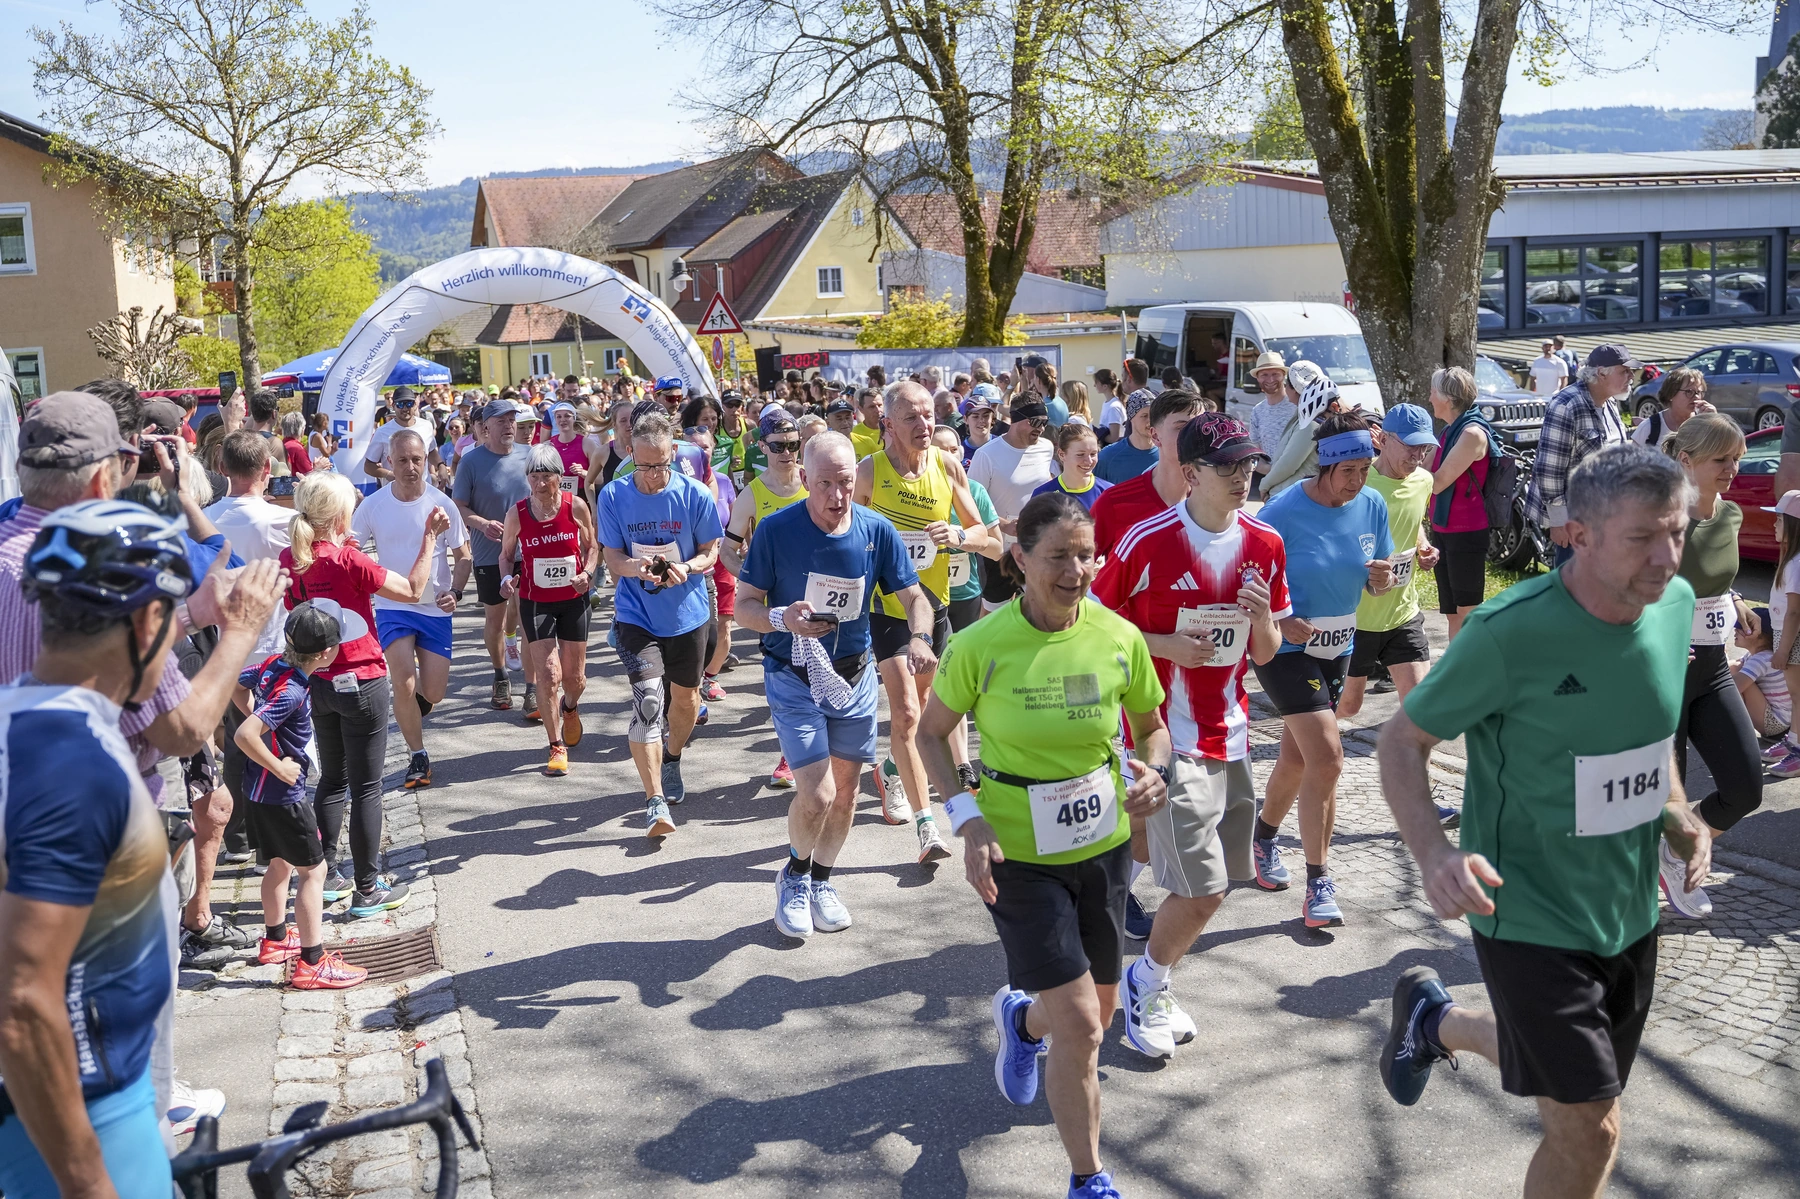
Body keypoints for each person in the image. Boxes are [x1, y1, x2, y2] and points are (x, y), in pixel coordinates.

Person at [1374, 444, 1711, 1199]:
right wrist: (1434, 853)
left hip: (1628, 910)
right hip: (1526, 911)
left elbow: (1649, 733)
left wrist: (1681, 814)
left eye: (1677, 532)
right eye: (1642, 538)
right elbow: (1401, 741)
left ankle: (1436, 1021)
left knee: (1577, 1089)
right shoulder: (1508, 633)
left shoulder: (1674, 606)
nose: (1665, 558)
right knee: (1589, 1126)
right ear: (1579, 534)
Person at [914, 493, 1171, 1199]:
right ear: (1019, 556)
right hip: (1016, 854)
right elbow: (929, 733)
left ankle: (1020, 1019)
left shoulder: (1118, 636)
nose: (1077, 569)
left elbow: (1152, 726)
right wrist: (965, 818)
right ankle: (1089, 1177)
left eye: (1087, 554)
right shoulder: (980, 645)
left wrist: (1156, 769)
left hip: (1103, 846)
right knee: (1085, 1026)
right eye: (1060, 555)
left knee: (1097, 1013)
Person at [0, 501, 196, 1199]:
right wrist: (87, 1183)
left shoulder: (26, 714)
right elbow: (22, 1001)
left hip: (93, 1096)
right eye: (172, 621)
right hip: (82, 1115)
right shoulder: (72, 764)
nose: (172, 643)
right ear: (147, 622)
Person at [1091, 414, 1284, 1060]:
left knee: (1220, 882)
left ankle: (1154, 972)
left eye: (1248, 464)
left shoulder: (1264, 541)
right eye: (1228, 465)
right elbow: (1094, 623)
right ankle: (1143, 982)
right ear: (1191, 471)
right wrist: (1166, 644)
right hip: (1165, 738)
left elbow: (1268, 647)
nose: (1242, 476)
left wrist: (1260, 621)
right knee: (1201, 887)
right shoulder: (1147, 541)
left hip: (1232, 733)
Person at [738, 430, 932, 938]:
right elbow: (744, 607)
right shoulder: (777, 531)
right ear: (805, 479)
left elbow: (915, 597)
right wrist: (784, 618)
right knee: (818, 793)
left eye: (845, 483)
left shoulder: (875, 529)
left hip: (853, 674)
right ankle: (794, 876)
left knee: (846, 794)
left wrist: (920, 636)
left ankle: (822, 879)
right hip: (793, 675)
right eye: (824, 484)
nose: (836, 496)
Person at [1251, 409, 1395, 927]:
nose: (1358, 480)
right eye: (1349, 470)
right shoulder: (1281, 512)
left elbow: (1379, 578)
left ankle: (1262, 839)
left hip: (1338, 645)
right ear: (1323, 466)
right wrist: (1281, 618)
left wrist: (1382, 578)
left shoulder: (1372, 504)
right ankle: (1319, 882)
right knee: (1330, 759)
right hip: (1285, 650)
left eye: (1365, 467)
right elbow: (1246, 580)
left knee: (1297, 760)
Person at [282, 471, 447, 916]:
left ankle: (327, 875)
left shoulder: (293, 558)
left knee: (332, 780)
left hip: (319, 680)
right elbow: (413, 590)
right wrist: (430, 537)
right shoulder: (347, 562)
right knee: (367, 788)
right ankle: (368, 889)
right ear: (339, 515)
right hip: (362, 678)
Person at [853, 382, 992, 863]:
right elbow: (841, 533)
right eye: (911, 417)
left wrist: (958, 534)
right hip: (886, 608)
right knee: (908, 713)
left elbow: (987, 538)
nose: (924, 425)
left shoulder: (948, 465)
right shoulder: (868, 472)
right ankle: (926, 824)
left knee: (931, 707)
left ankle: (892, 767)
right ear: (887, 424)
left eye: (929, 415)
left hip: (935, 607)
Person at [1657, 413, 1761, 919]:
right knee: (1654, 801)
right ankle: (1625, 919)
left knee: (1745, 787)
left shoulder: (1732, 515)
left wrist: (1734, 597)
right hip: (1663, 679)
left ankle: (1678, 848)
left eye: (1737, 459)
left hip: (1714, 668)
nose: (1732, 469)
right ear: (1686, 461)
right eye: (1722, 459)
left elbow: (1711, 579)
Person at [597, 412, 723, 833]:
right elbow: (612, 558)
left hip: (687, 614)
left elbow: (711, 551)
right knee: (649, 701)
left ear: (675, 453)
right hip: (637, 614)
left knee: (684, 703)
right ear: (630, 453)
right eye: (644, 465)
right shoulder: (613, 495)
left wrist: (686, 567)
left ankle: (672, 758)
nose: (653, 475)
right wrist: (638, 568)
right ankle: (654, 802)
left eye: (662, 464)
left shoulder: (694, 495)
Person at [234, 603, 369, 989]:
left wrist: (257, 725)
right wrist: (279, 765)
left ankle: (275, 940)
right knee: (315, 871)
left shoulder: (273, 664)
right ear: (326, 653)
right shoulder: (293, 689)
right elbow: (245, 735)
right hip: (283, 794)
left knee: (279, 864)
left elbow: (236, 684)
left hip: (255, 791)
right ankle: (312, 963)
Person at [351, 427, 471, 789]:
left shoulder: (441, 503)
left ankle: (420, 703)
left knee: (432, 692)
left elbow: (464, 555)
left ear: (426, 462)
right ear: (389, 462)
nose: (410, 467)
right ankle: (417, 755)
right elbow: (352, 550)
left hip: (434, 607)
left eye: (416, 459)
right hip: (392, 605)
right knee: (402, 682)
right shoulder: (373, 505)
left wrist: (456, 591)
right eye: (402, 460)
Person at [500, 445, 601, 778]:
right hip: (535, 600)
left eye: (547, 477)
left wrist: (587, 573)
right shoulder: (518, 513)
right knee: (548, 675)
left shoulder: (576, 507)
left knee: (575, 679)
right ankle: (555, 744)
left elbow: (592, 547)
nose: (540, 485)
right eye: (534, 477)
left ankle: (569, 707)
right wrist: (505, 578)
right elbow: (506, 554)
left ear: (561, 478)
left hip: (573, 598)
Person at [722, 412, 810, 788]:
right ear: (762, 447)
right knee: (785, 682)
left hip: (822, 599)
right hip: (776, 609)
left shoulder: (814, 481)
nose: (787, 453)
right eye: (778, 447)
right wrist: (750, 579)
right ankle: (791, 755)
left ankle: (801, 756)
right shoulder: (752, 494)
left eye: (793, 445)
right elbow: (728, 549)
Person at [1337, 404, 1440, 721]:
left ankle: (1414, 772)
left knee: (1421, 707)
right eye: (1410, 445)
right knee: (1347, 706)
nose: (1417, 455)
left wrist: (1423, 546)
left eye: (1424, 446)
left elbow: (1412, 523)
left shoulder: (1423, 481)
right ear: (1382, 439)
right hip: (1356, 619)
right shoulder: (1357, 485)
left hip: (1402, 612)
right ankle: (1303, 750)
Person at [453, 399, 533, 711]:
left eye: (512, 420)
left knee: (529, 619)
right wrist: (483, 524)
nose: (509, 426)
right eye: (502, 421)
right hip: (488, 553)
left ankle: (531, 685)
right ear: (486, 427)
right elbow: (458, 506)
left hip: (529, 551)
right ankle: (500, 675)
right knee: (495, 619)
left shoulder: (530, 456)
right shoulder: (472, 462)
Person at [1527, 344, 1636, 567]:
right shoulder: (1566, 404)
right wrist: (1559, 522)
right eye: (1624, 371)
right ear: (1600, 373)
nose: (1631, 376)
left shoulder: (1611, 402)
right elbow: (1549, 469)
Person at [1092, 389, 1204, 559]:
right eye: (1182, 427)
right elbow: (1074, 566)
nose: (1193, 436)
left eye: (1199, 428)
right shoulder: (1114, 503)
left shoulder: (1215, 502)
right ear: (1155, 435)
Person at [969, 393, 1056, 611]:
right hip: (1000, 551)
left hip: (1036, 545)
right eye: (1036, 422)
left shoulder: (1046, 448)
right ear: (1017, 419)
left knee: (1044, 609)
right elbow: (970, 504)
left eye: (1045, 423)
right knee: (991, 615)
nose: (1041, 428)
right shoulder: (986, 455)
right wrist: (1003, 524)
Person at [1426, 366, 1495, 642]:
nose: (1429, 397)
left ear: (1448, 398)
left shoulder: (1471, 434)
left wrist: (1408, 473)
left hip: (1466, 532)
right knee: (1453, 611)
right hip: (1443, 528)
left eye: (1433, 391)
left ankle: (1472, 673)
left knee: (1467, 610)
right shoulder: (1448, 431)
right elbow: (1424, 471)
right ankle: (1458, 672)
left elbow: (1437, 482)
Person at [362, 386, 444, 492]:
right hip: (394, 493)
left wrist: (440, 465)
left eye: (409, 404)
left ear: (415, 405)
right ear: (393, 406)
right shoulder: (382, 432)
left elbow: (431, 451)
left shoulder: (426, 426)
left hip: (422, 491)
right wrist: (388, 474)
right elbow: (368, 466)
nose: (405, 408)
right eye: (400, 404)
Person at [1735, 608, 1793, 752]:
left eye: (1741, 628)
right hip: (1782, 723)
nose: (1735, 630)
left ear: (1760, 635)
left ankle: (1733, 729)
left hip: (1774, 724)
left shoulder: (1762, 659)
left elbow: (1734, 688)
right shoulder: (1755, 655)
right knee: (1735, 667)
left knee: (1735, 681)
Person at [1245, 352, 1293, 498]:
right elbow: (1254, 454)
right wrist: (1272, 473)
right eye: (1264, 374)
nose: (1270, 379)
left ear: (1283, 376)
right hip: (1273, 489)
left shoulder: (1297, 405)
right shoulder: (1257, 411)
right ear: (1258, 378)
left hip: (1299, 485)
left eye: (1275, 374)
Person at [1033, 423, 1110, 513]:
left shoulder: (1108, 492)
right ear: (1062, 454)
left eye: (1093, 454)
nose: (1089, 461)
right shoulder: (1042, 495)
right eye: (1080, 455)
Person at [1631, 367, 1714, 447]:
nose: (1697, 397)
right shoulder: (1649, 427)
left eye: (1699, 392)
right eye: (1689, 392)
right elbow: (1632, 459)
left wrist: (1715, 425)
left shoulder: (1704, 424)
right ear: (1671, 394)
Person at [547, 400, 606, 505]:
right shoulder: (549, 445)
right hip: (556, 500)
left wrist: (583, 472)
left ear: (574, 418)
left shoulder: (587, 444)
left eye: (567, 416)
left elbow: (600, 479)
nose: (563, 420)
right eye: (559, 417)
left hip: (582, 498)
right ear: (555, 420)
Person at [1095, 387, 1158, 486]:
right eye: (1144, 416)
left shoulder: (1166, 454)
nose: (1150, 421)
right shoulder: (1107, 457)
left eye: (1154, 415)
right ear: (1131, 417)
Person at [850, 388, 885, 461]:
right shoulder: (855, 433)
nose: (878, 410)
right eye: (872, 407)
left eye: (880, 405)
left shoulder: (893, 430)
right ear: (861, 409)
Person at [1094, 369, 1124, 442]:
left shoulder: (1114, 407)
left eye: (1096, 382)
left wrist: (1098, 436)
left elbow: (1114, 438)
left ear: (1105, 386)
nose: (1094, 385)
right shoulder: (1107, 403)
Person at [279, 412, 313, 477]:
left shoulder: (281, 444)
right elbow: (309, 476)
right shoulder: (297, 448)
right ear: (302, 429)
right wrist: (318, 467)